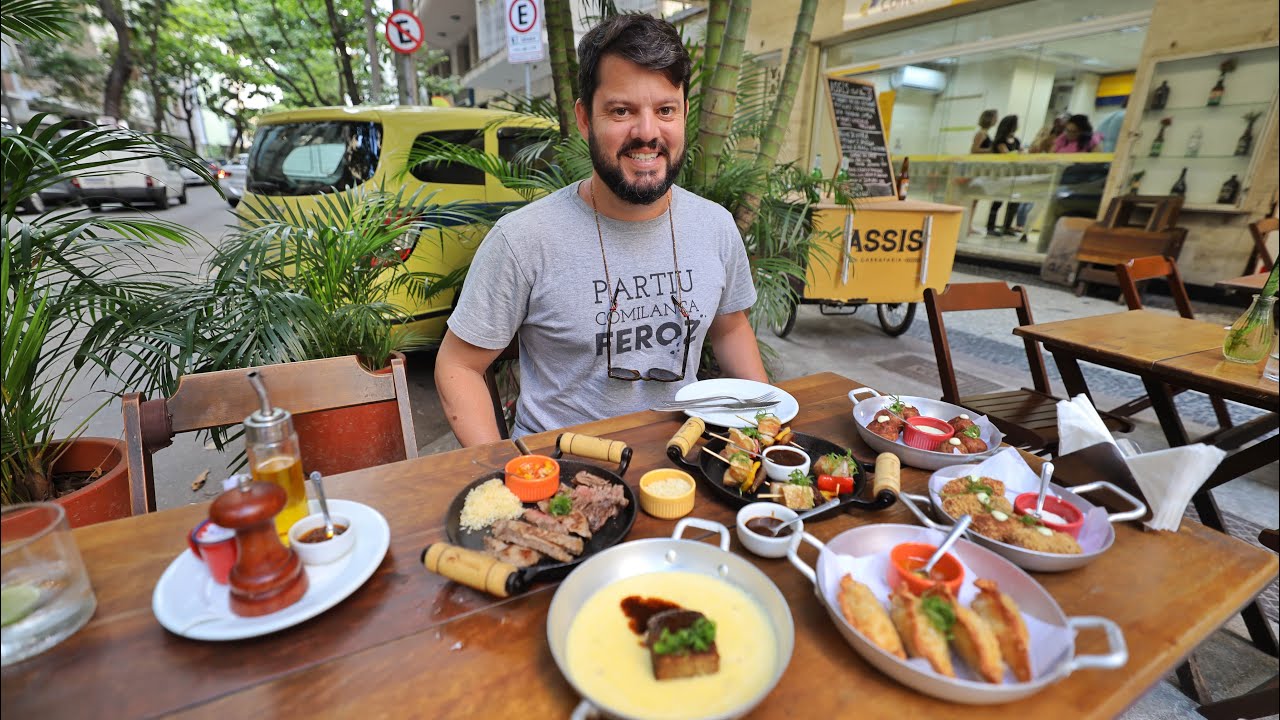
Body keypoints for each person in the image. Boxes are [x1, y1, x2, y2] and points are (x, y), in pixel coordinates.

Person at [435, 14, 767, 446]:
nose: (647, 133)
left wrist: (766, 425)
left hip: (683, 459)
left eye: (665, 110)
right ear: (586, 118)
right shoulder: (523, 239)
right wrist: (510, 472)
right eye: (621, 110)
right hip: (565, 474)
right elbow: (458, 365)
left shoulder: (715, 225)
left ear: (684, 113)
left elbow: (730, 328)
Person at [985, 115, 1022, 238]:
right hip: (1001, 175)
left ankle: (1007, 226)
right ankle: (990, 226)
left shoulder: (1016, 141)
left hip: (1014, 175)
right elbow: (1006, 155)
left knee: (1014, 202)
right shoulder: (1000, 141)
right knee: (998, 201)